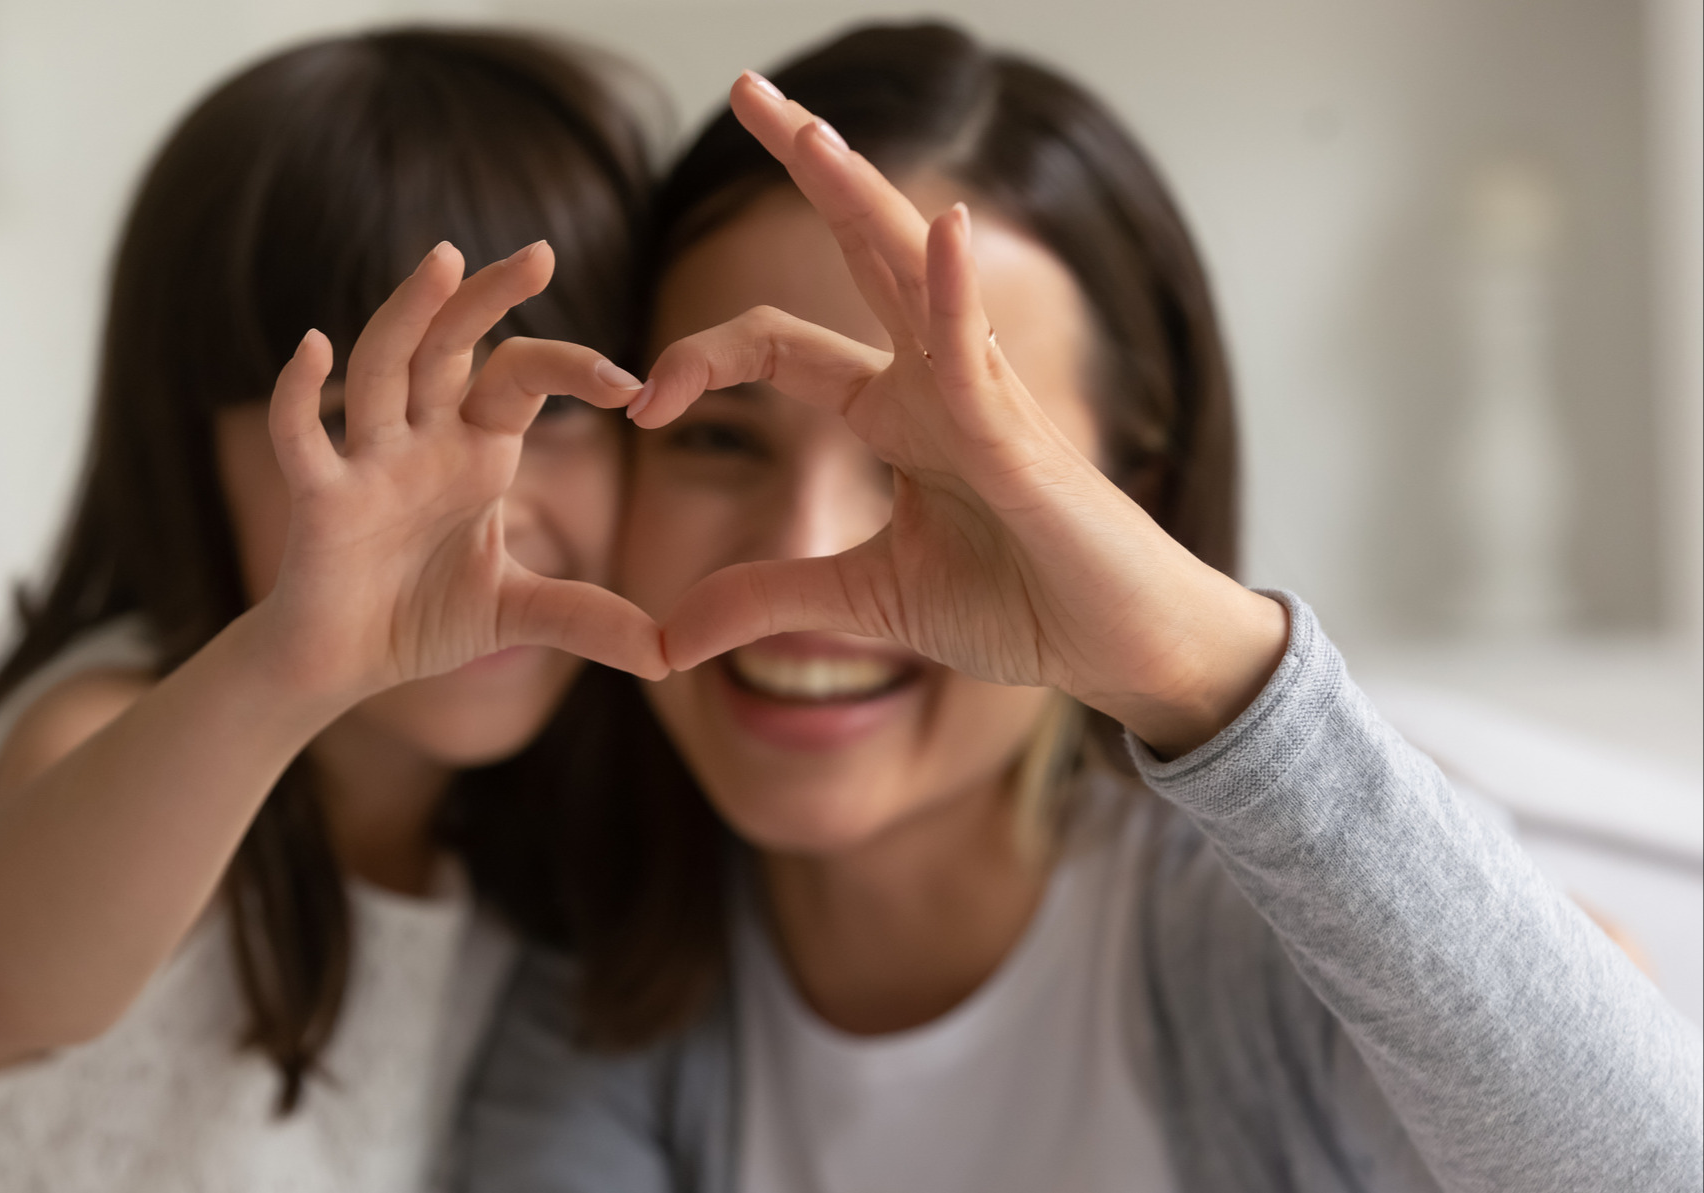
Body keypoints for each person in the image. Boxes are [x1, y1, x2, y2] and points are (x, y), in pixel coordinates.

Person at [455, 23, 1704, 1193]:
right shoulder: (590, 990)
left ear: (1135, 503)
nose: (807, 554)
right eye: (718, 439)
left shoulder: (1295, 932)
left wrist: (1205, 671)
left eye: (941, 468)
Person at [0, 29, 667, 1193]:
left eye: (550, 411)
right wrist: (291, 664)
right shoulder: (110, 730)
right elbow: (22, 982)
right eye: (365, 427)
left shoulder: (510, 841)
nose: (478, 515)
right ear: (186, 444)